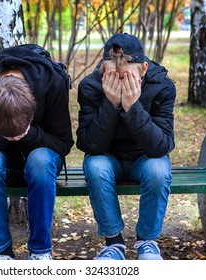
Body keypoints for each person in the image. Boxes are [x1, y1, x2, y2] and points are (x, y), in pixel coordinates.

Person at [0, 44, 74, 260]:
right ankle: (1, 251)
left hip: (42, 161)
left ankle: (40, 251)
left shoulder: (53, 84)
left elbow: (63, 144)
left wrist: (29, 134)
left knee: (40, 160)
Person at [76, 33, 176, 260]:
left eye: (127, 75)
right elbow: (90, 144)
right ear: (103, 69)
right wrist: (110, 103)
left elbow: (160, 146)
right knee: (95, 166)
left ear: (143, 69)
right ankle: (113, 243)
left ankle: (147, 241)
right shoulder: (90, 87)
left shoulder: (162, 86)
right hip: (107, 156)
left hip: (145, 156)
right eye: (113, 74)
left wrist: (132, 106)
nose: (120, 80)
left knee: (159, 170)